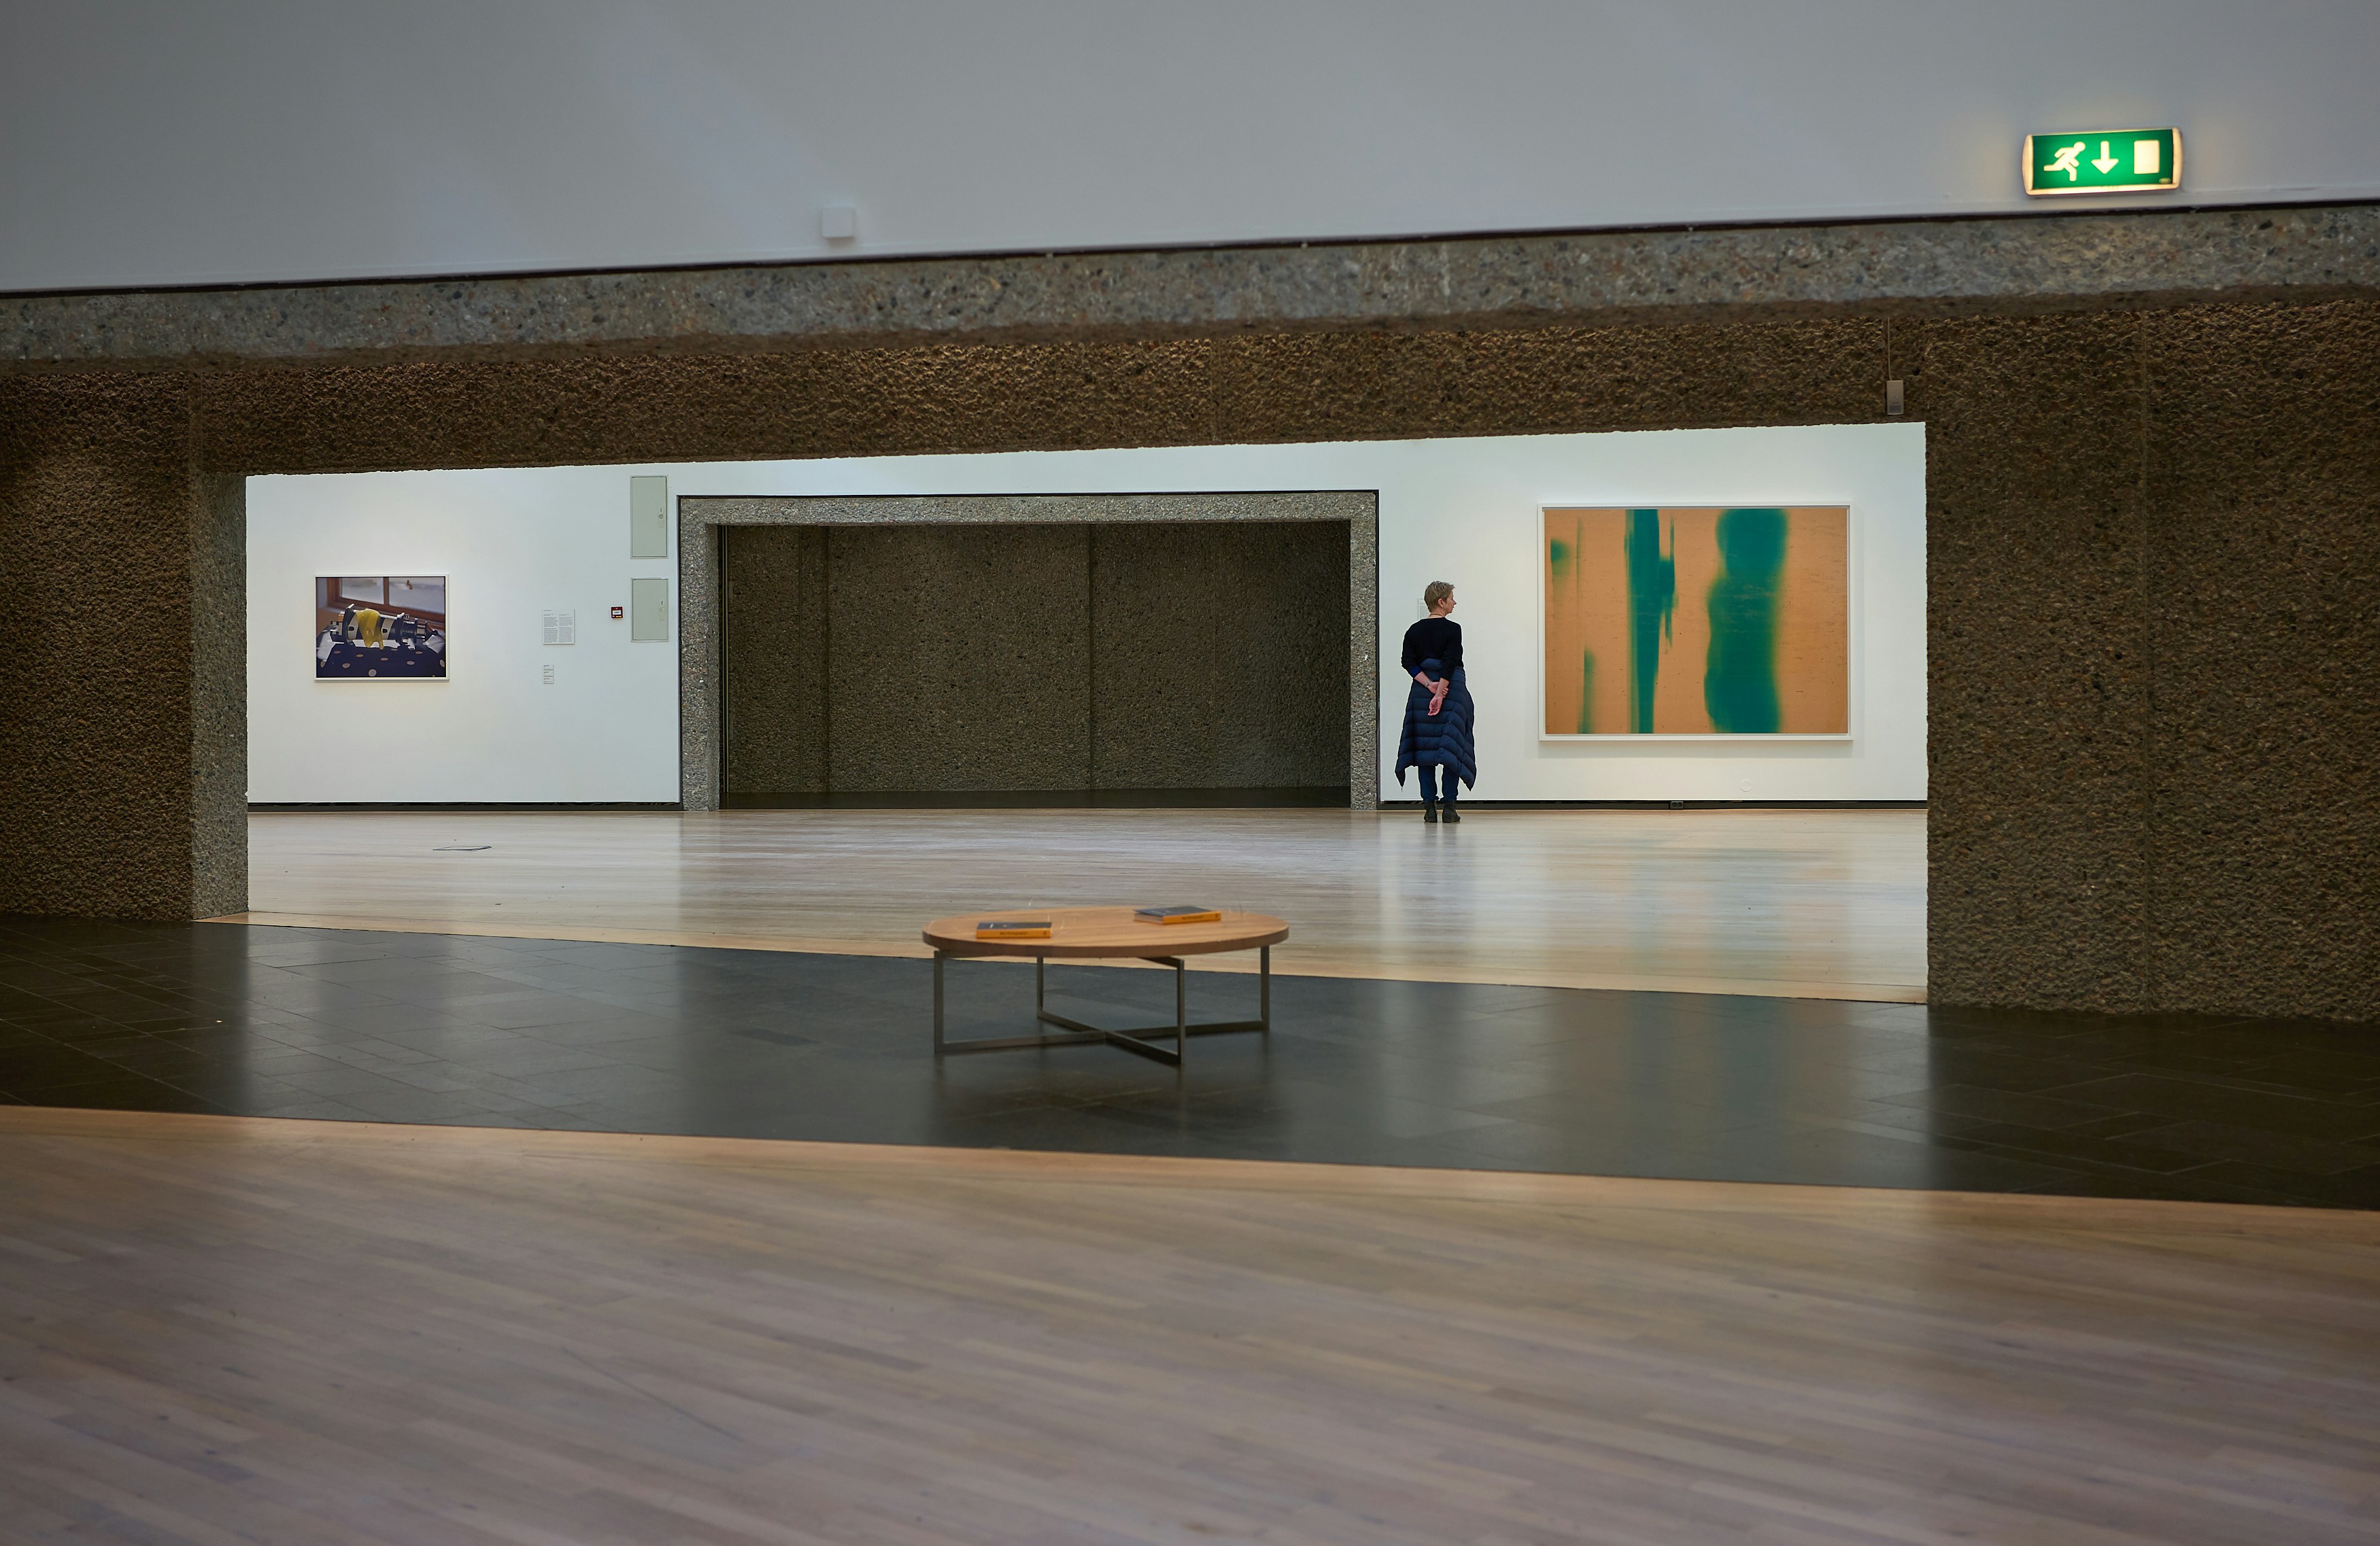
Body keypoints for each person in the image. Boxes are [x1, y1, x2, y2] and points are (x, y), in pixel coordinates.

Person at [1395, 581, 1476, 822]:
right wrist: (1440, 693)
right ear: (1441, 602)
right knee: (1452, 747)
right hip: (1452, 693)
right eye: (1451, 598)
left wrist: (1429, 686)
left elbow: (1407, 662)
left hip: (1422, 694)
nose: (1454, 602)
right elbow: (1450, 662)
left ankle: (1429, 809)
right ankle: (1449, 808)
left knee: (1425, 750)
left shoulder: (1413, 631)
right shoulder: (1453, 629)